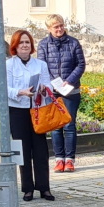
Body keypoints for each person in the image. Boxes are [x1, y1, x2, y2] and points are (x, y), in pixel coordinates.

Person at [5, 29, 53, 201]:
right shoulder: (9, 64)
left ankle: (44, 188)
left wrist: (43, 89)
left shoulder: (40, 64)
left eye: (27, 42)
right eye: (21, 43)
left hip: (37, 109)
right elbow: (5, 88)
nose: (24, 46)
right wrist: (20, 92)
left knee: (40, 150)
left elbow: (49, 86)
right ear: (15, 46)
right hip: (18, 110)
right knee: (23, 150)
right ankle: (27, 188)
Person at [35, 14, 87, 172]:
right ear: (49, 29)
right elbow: (42, 66)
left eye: (61, 25)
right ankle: (59, 159)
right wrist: (52, 83)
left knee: (69, 125)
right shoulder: (43, 44)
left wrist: (69, 81)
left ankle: (70, 160)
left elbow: (80, 64)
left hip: (70, 90)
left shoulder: (73, 43)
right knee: (56, 126)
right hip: (53, 91)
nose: (59, 29)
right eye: (55, 27)